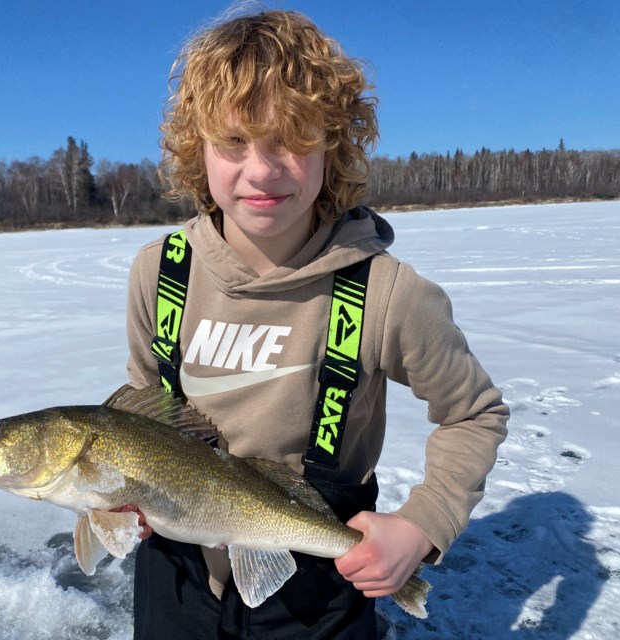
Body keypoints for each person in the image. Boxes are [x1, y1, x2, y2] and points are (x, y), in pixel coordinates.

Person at [120, 7, 510, 639]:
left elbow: (475, 412)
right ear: (199, 151)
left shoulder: (387, 293)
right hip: (178, 574)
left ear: (335, 145)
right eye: (234, 143)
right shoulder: (160, 273)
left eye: (291, 140)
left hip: (318, 589)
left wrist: (422, 524)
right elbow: (141, 410)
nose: (263, 170)